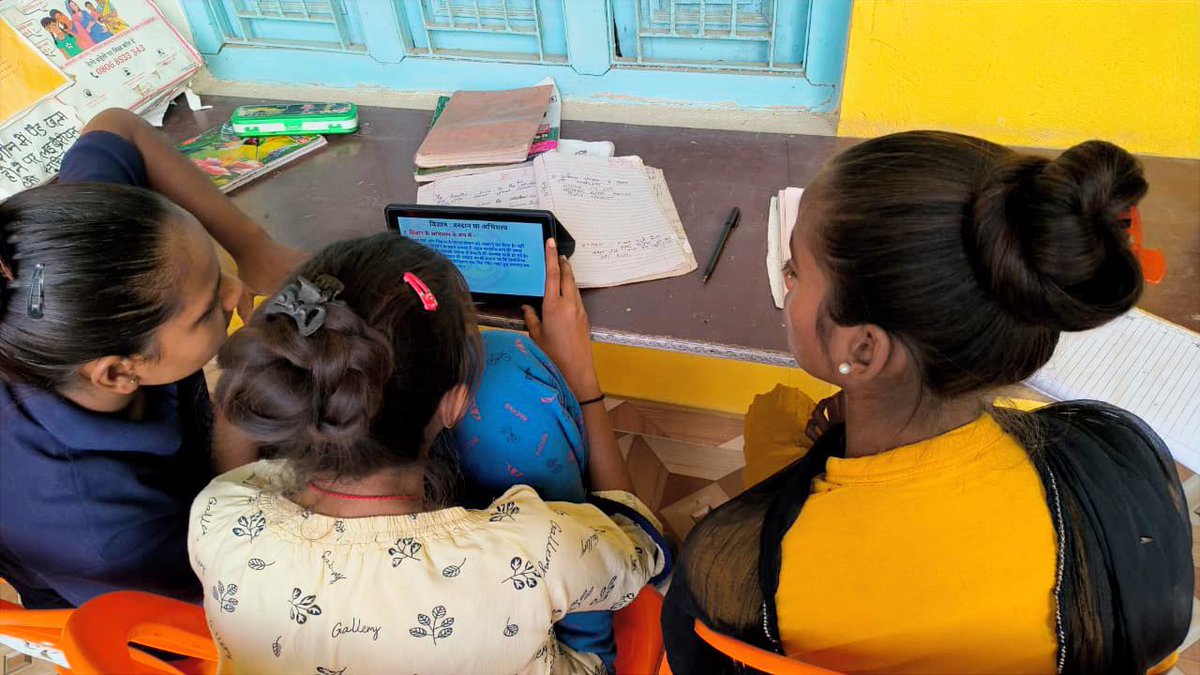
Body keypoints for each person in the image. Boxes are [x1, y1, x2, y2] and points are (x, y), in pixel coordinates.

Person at [662, 132, 1192, 674]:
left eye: (795, 271)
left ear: (863, 348)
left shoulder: (743, 563)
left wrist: (779, 440)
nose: (787, 281)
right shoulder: (1114, 467)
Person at [190, 233, 670, 674]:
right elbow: (641, 542)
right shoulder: (531, 551)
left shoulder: (218, 513)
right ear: (456, 402)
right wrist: (579, 380)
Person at [0, 108, 305, 609]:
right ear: (119, 372)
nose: (237, 292)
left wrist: (254, 246)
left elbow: (118, 126)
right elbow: (233, 586)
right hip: (147, 607)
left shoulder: (81, 265)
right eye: (210, 309)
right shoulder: (111, 533)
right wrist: (235, 421)